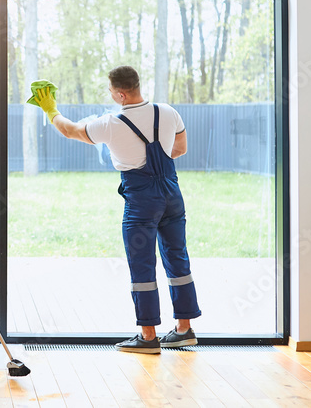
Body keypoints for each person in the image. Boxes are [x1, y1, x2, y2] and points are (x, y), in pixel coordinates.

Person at [31, 66, 201, 354]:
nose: (111, 97)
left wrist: (51, 110)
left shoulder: (111, 123)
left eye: (111, 92)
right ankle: (184, 329)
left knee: (142, 264)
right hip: (172, 195)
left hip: (141, 202)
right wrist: (158, 165)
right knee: (177, 258)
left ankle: (148, 336)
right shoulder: (168, 112)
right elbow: (180, 149)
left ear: (121, 94)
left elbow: (70, 130)